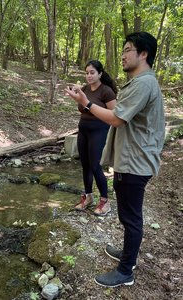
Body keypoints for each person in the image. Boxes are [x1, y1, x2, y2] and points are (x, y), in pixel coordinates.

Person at [65, 32, 165, 287]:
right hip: (131, 159)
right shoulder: (139, 83)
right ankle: (128, 255)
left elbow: (117, 118)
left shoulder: (143, 83)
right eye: (122, 49)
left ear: (143, 54)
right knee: (128, 215)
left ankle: (125, 271)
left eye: (128, 49)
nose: (123, 54)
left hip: (135, 161)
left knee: (131, 217)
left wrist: (86, 103)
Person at [74, 60, 117, 216]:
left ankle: (105, 201)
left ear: (100, 73)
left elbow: (114, 114)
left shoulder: (106, 91)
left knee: (95, 166)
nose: (89, 76)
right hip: (83, 130)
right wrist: (77, 99)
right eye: (87, 73)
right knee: (85, 164)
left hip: (99, 131)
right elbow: (83, 109)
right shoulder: (84, 89)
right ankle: (88, 197)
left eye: (92, 72)